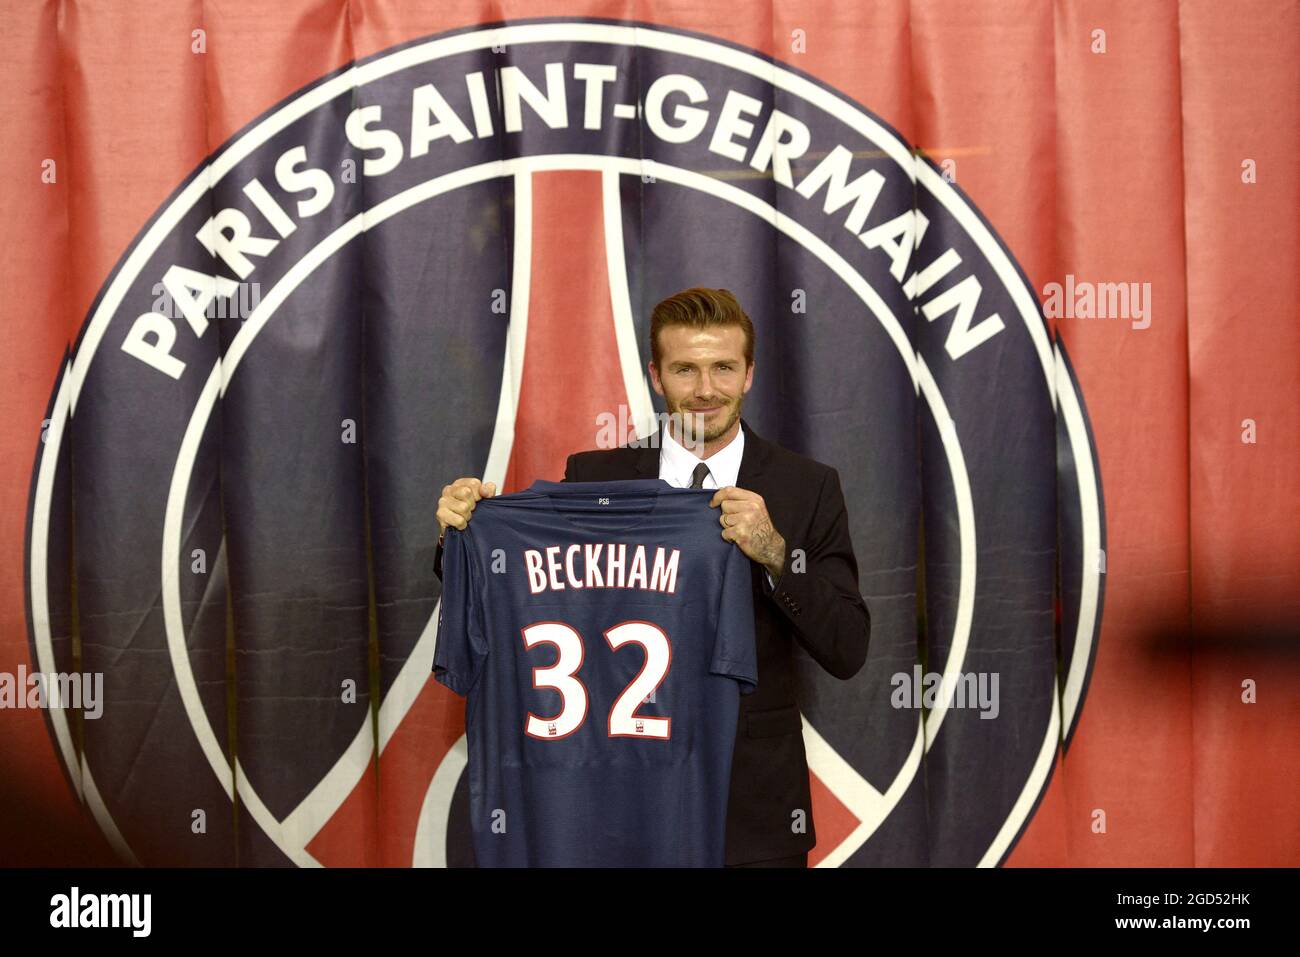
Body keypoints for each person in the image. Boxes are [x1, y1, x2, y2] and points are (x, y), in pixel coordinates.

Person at [434, 287, 871, 867]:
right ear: (656, 376)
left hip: (750, 808)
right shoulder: (594, 476)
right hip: (615, 794)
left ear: (749, 375)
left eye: (723, 368)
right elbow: (522, 582)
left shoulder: (805, 485)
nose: (706, 389)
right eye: (685, 369)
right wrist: (462, 534)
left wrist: (774, 553)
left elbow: (847, 645)